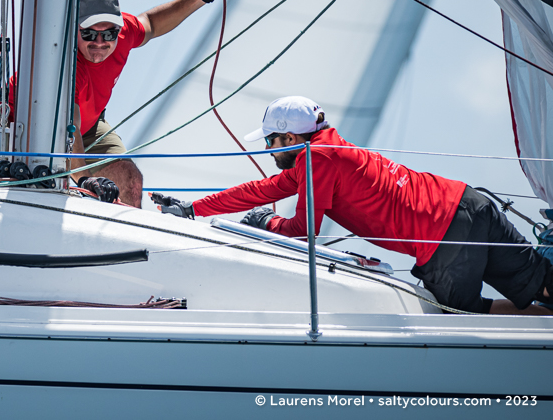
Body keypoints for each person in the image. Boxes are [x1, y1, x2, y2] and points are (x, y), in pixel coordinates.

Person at [157, 96, 553, 315]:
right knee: (545, 288)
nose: (266, 149)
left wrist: (269, 223)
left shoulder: (318, 160)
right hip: (469, 203)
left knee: (459, 319)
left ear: (287, 138)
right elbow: (260, 190)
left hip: (443, 239)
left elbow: (302, 229)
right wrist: (194, 210)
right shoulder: (327, 148)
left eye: (269, 141)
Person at [0, 0, 231, 207]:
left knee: (129, 179)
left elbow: (151, 24)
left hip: (87, 125)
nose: (100, 42)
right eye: (90, 34)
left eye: (109, 34)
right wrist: (84, 181)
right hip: (10, 130)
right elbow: (65, 126)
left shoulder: (123, 32)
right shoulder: (65, 60)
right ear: (74, 30)